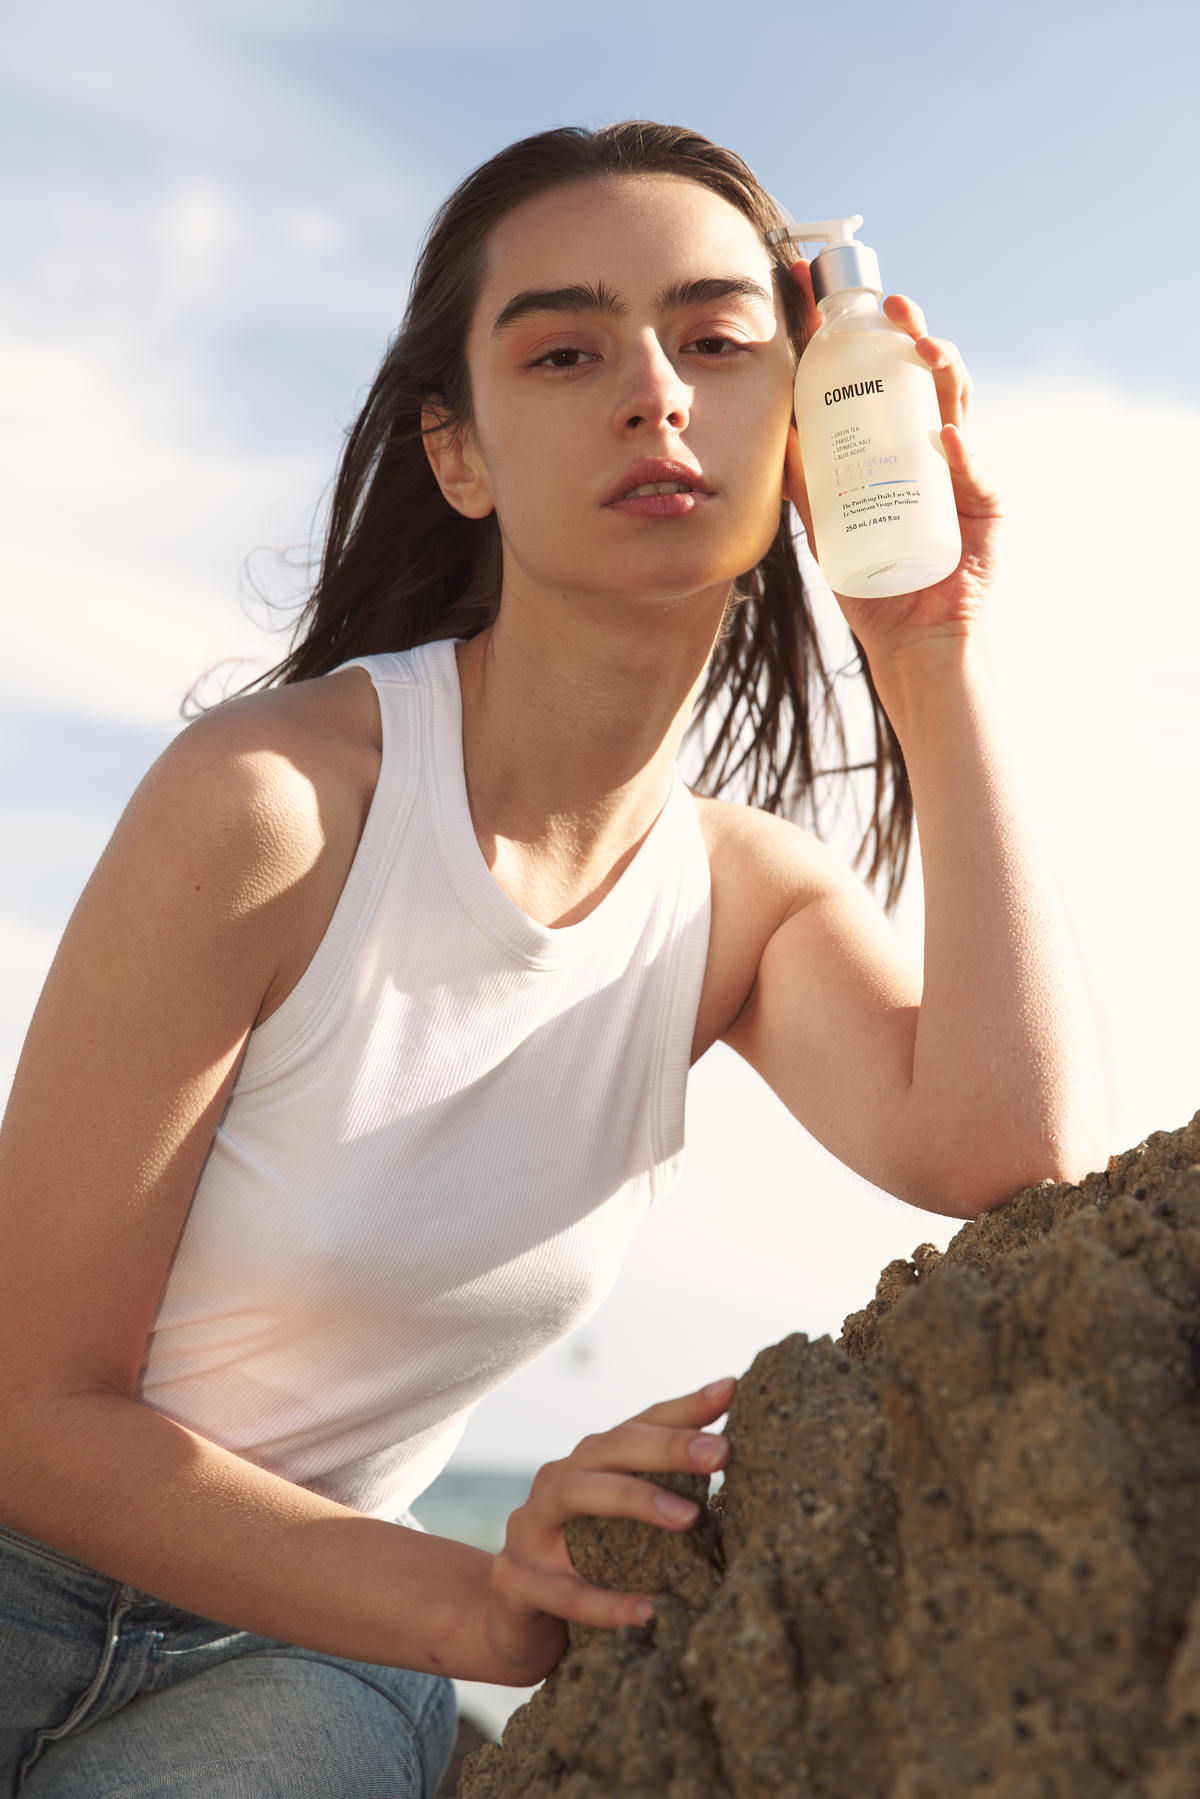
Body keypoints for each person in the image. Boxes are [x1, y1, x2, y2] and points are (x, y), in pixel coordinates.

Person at [0, 121, 1107, 1796]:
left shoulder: (744, 904)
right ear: (460, 453)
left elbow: (1002, 1148)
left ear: (806, 420)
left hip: (294, 1653)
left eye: (723, 342)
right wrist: (485, 1594)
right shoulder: (275, 803)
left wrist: (932, 653)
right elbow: (31, 1404)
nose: (656, 394)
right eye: (568, 347)